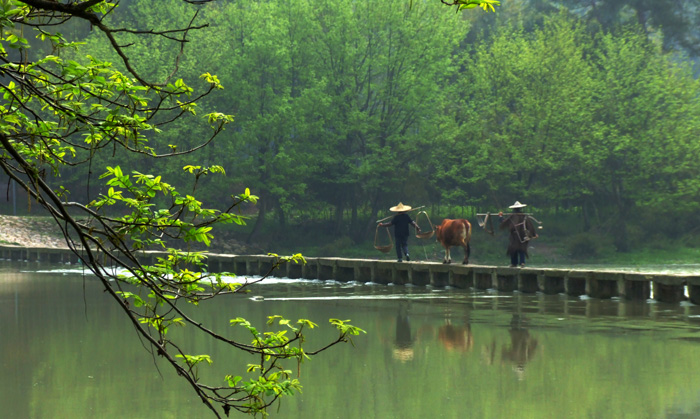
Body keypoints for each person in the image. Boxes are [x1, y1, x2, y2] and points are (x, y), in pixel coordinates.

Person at [499, 201, 538, 268]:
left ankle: (516, 263)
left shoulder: (520, 216)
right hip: (518, 235)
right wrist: (534, 234)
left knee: (518, 249)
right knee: (518, 249)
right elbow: (530, 226)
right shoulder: (520, 216)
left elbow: (504, 222)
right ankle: (519, 263)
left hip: (518, 235)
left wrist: (500, 217)